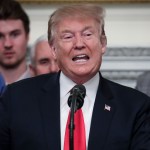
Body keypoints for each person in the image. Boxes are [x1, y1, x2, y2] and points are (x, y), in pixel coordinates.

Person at [0, 4, 150, 150]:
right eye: (68, 36)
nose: (79, 44)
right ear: (53, 49)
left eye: (87, 34)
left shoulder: (135, 106)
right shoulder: (16, 99)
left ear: (103, 44)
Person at [0, 0, 31, 85]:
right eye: (0, 36)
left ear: (27, 36)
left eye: (15, 34)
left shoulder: (47, 83)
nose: (7, 44)